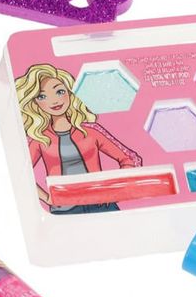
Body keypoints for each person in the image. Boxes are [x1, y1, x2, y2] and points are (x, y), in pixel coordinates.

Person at [15, 63, 142, 214]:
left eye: (60, 91)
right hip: (64, 211)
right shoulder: (40, 139)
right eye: (42, 96)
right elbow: (21, 173)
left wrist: (114, 190)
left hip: (102, 205)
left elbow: (130, 158)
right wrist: (47, 198)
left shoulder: (90, 131)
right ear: (35, 102)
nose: (54, 100)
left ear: (70, 93)